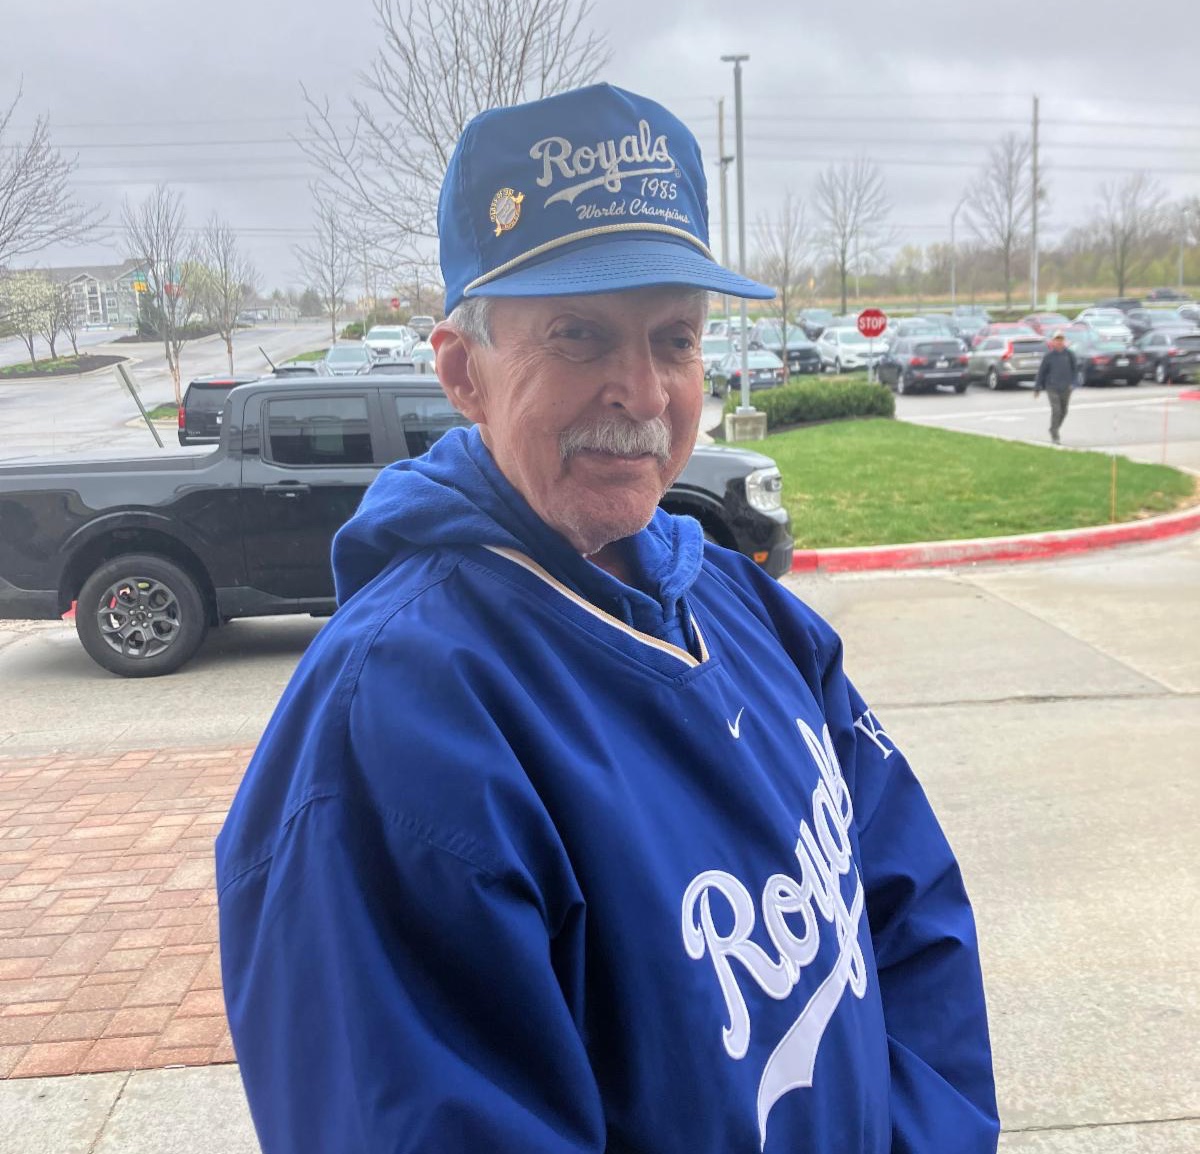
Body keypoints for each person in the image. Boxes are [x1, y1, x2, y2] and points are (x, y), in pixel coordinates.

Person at [216, 84, 1000, 1154]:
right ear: (463, 372)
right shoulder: (393, 724)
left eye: (674, 338)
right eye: (579, 335)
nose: (641, 391)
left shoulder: (741, 605)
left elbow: (910, 911)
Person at [1034, 329, 1078, 444]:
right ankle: (1055, 435)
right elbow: (1041, 372)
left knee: (1064, 411)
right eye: (1057, 340)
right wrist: (1037, 388)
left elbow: (1075, 370)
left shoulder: (1069, 355)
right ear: (1053, 342)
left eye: (1061, 340)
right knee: (1056, 410)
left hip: (1066, 387)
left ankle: (1054, 428)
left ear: (1064, 341)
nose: (1059, 342)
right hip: (1052, 387)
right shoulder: (1049, 356)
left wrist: (1073, 383)